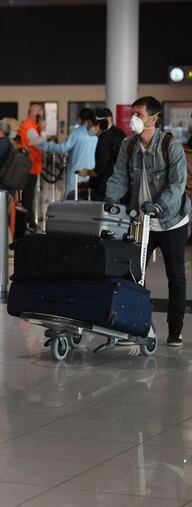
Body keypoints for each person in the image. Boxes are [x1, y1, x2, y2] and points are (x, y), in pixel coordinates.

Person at [106, 96, 190, 348]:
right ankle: (133, 327)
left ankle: (175, 332)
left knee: (175, 277)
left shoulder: (170, 146)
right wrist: (110, 201)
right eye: (133, 113)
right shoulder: (128, 145)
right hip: (141, 221)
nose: (134, 119)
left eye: (139, 115)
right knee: (132, 275)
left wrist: (159, 205)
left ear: (154, 119)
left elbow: (178, 184)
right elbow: (119, 176)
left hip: (171, 221)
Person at [38, 108, 98, 199]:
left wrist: (45, 144)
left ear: (80, 119)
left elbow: (63, 148)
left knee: (72, 201)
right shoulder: (97, 133)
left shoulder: (77, 133)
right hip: (92, 174)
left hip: (76, 175)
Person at [81, 108, 126, 200]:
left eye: (89, 123)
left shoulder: (104, 139)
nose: (87, 127)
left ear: (97, 124)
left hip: (106, 187)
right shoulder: (116, 134)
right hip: (117, 185)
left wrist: (87, 172)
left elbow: (100, 169)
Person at [16, 104, 47, 235]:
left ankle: (27, 222)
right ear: (32, 112)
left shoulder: (33, 126)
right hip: (29, 167)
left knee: (28, 196)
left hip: (32, 165)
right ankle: (28, 223)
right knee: (28, 197)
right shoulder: (29, 127)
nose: (41, 113)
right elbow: (38, 144)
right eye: (38, 111)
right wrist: (44, 131)